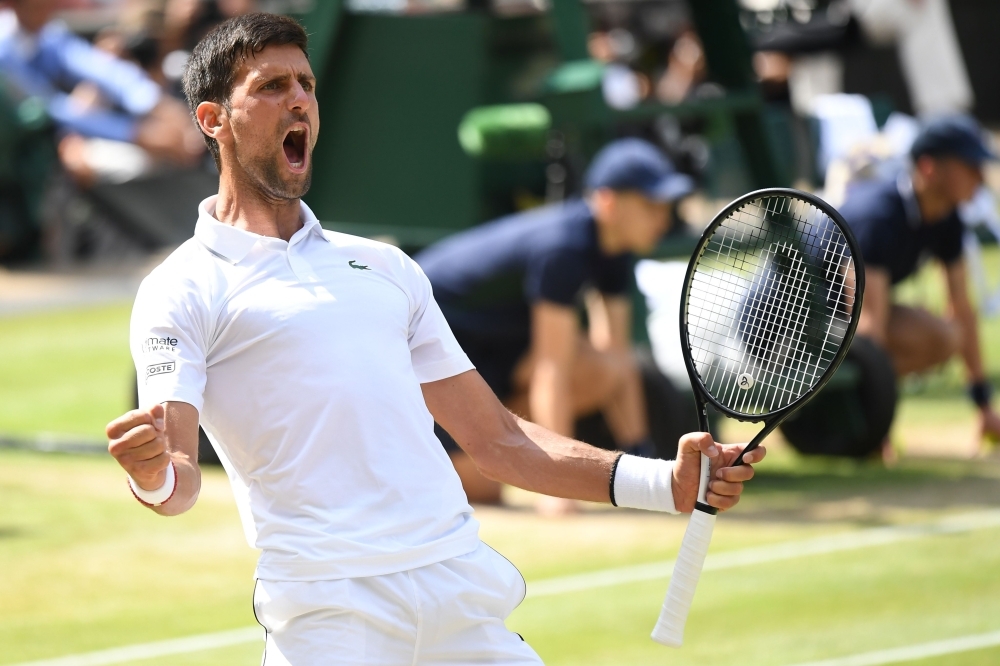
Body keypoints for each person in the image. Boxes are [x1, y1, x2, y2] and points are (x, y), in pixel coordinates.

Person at [105, 13, 765, 664]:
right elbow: (182, 478)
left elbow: (501, 440)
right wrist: (152, 476)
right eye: (272, 86)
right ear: (213, 120)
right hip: (331, 615)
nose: (300, 99)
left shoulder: (388, 269)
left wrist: (665, 485)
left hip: (460, 592)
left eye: (305, 84)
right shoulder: (180, 290)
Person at [415, 138, 692, 510]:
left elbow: (618, 360)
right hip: (430, 351)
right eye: (649, 205)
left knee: (601, 369)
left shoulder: (614, 249)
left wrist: (646, 470)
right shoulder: (563, 246)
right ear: (608, 202)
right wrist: (557, 490)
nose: (663, 218)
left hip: (495, 352)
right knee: (481, 489)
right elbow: (552, 369)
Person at [839, 114, 1000, 452]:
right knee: (892, 332)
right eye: (969, 166)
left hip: (846, 320)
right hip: (793, 326)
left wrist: (984, 407)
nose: (979, 177)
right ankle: (857, 424)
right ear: (929, 168)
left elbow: (962, 307)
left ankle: (847, 413)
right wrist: (878, 429)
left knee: (945, 338)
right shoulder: (878, 216)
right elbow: (870, 324)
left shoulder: (947, 217)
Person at [0, 0, 203, 184]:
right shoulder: (4, 50)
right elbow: (48, 109)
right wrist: (136, 133)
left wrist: (157, 104)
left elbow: (100, 69)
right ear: (16, 5)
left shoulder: (49, 33)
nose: (47, 8)